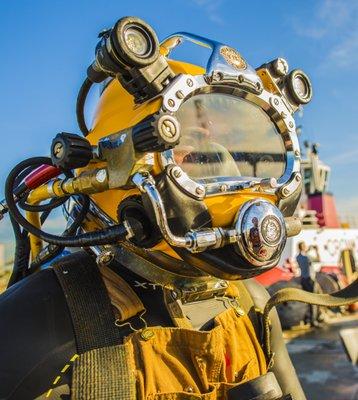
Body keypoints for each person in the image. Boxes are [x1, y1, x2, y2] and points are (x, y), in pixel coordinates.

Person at [0, 17, 319, 400]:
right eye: (191, 152)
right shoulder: (31, 322)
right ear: (109, 169)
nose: (224, 173)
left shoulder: (250, 300)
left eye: (216, 153)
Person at [296, 241, 320, 327]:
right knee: (314, 301)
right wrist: (317, 250)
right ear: (303, 247)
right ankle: (313, 321)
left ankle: (307, 319)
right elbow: (318, 259)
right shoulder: (307, 257)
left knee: (306, 300)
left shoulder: (298, 257)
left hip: (303, 279)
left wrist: (308, 250)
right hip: (310, 280)